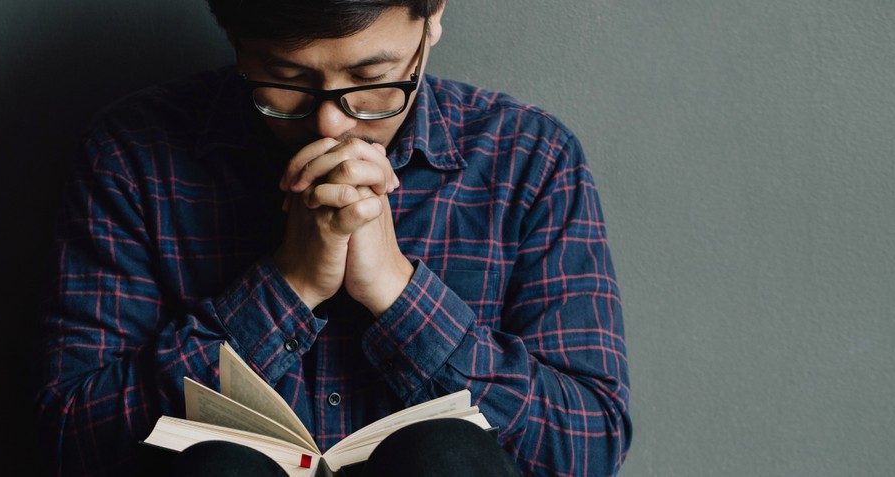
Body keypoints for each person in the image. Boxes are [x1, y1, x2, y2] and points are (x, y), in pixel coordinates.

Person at [32, 1, 631, 476]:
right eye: (286, 80)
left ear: (433, 17)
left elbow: (586, 447)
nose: (330, 123)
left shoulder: (528, 158)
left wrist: (398, 293)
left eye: (372, 79)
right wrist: (288, 286)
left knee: (448, 454)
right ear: (236, 40)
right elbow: (74, 443)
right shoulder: (132, 153)